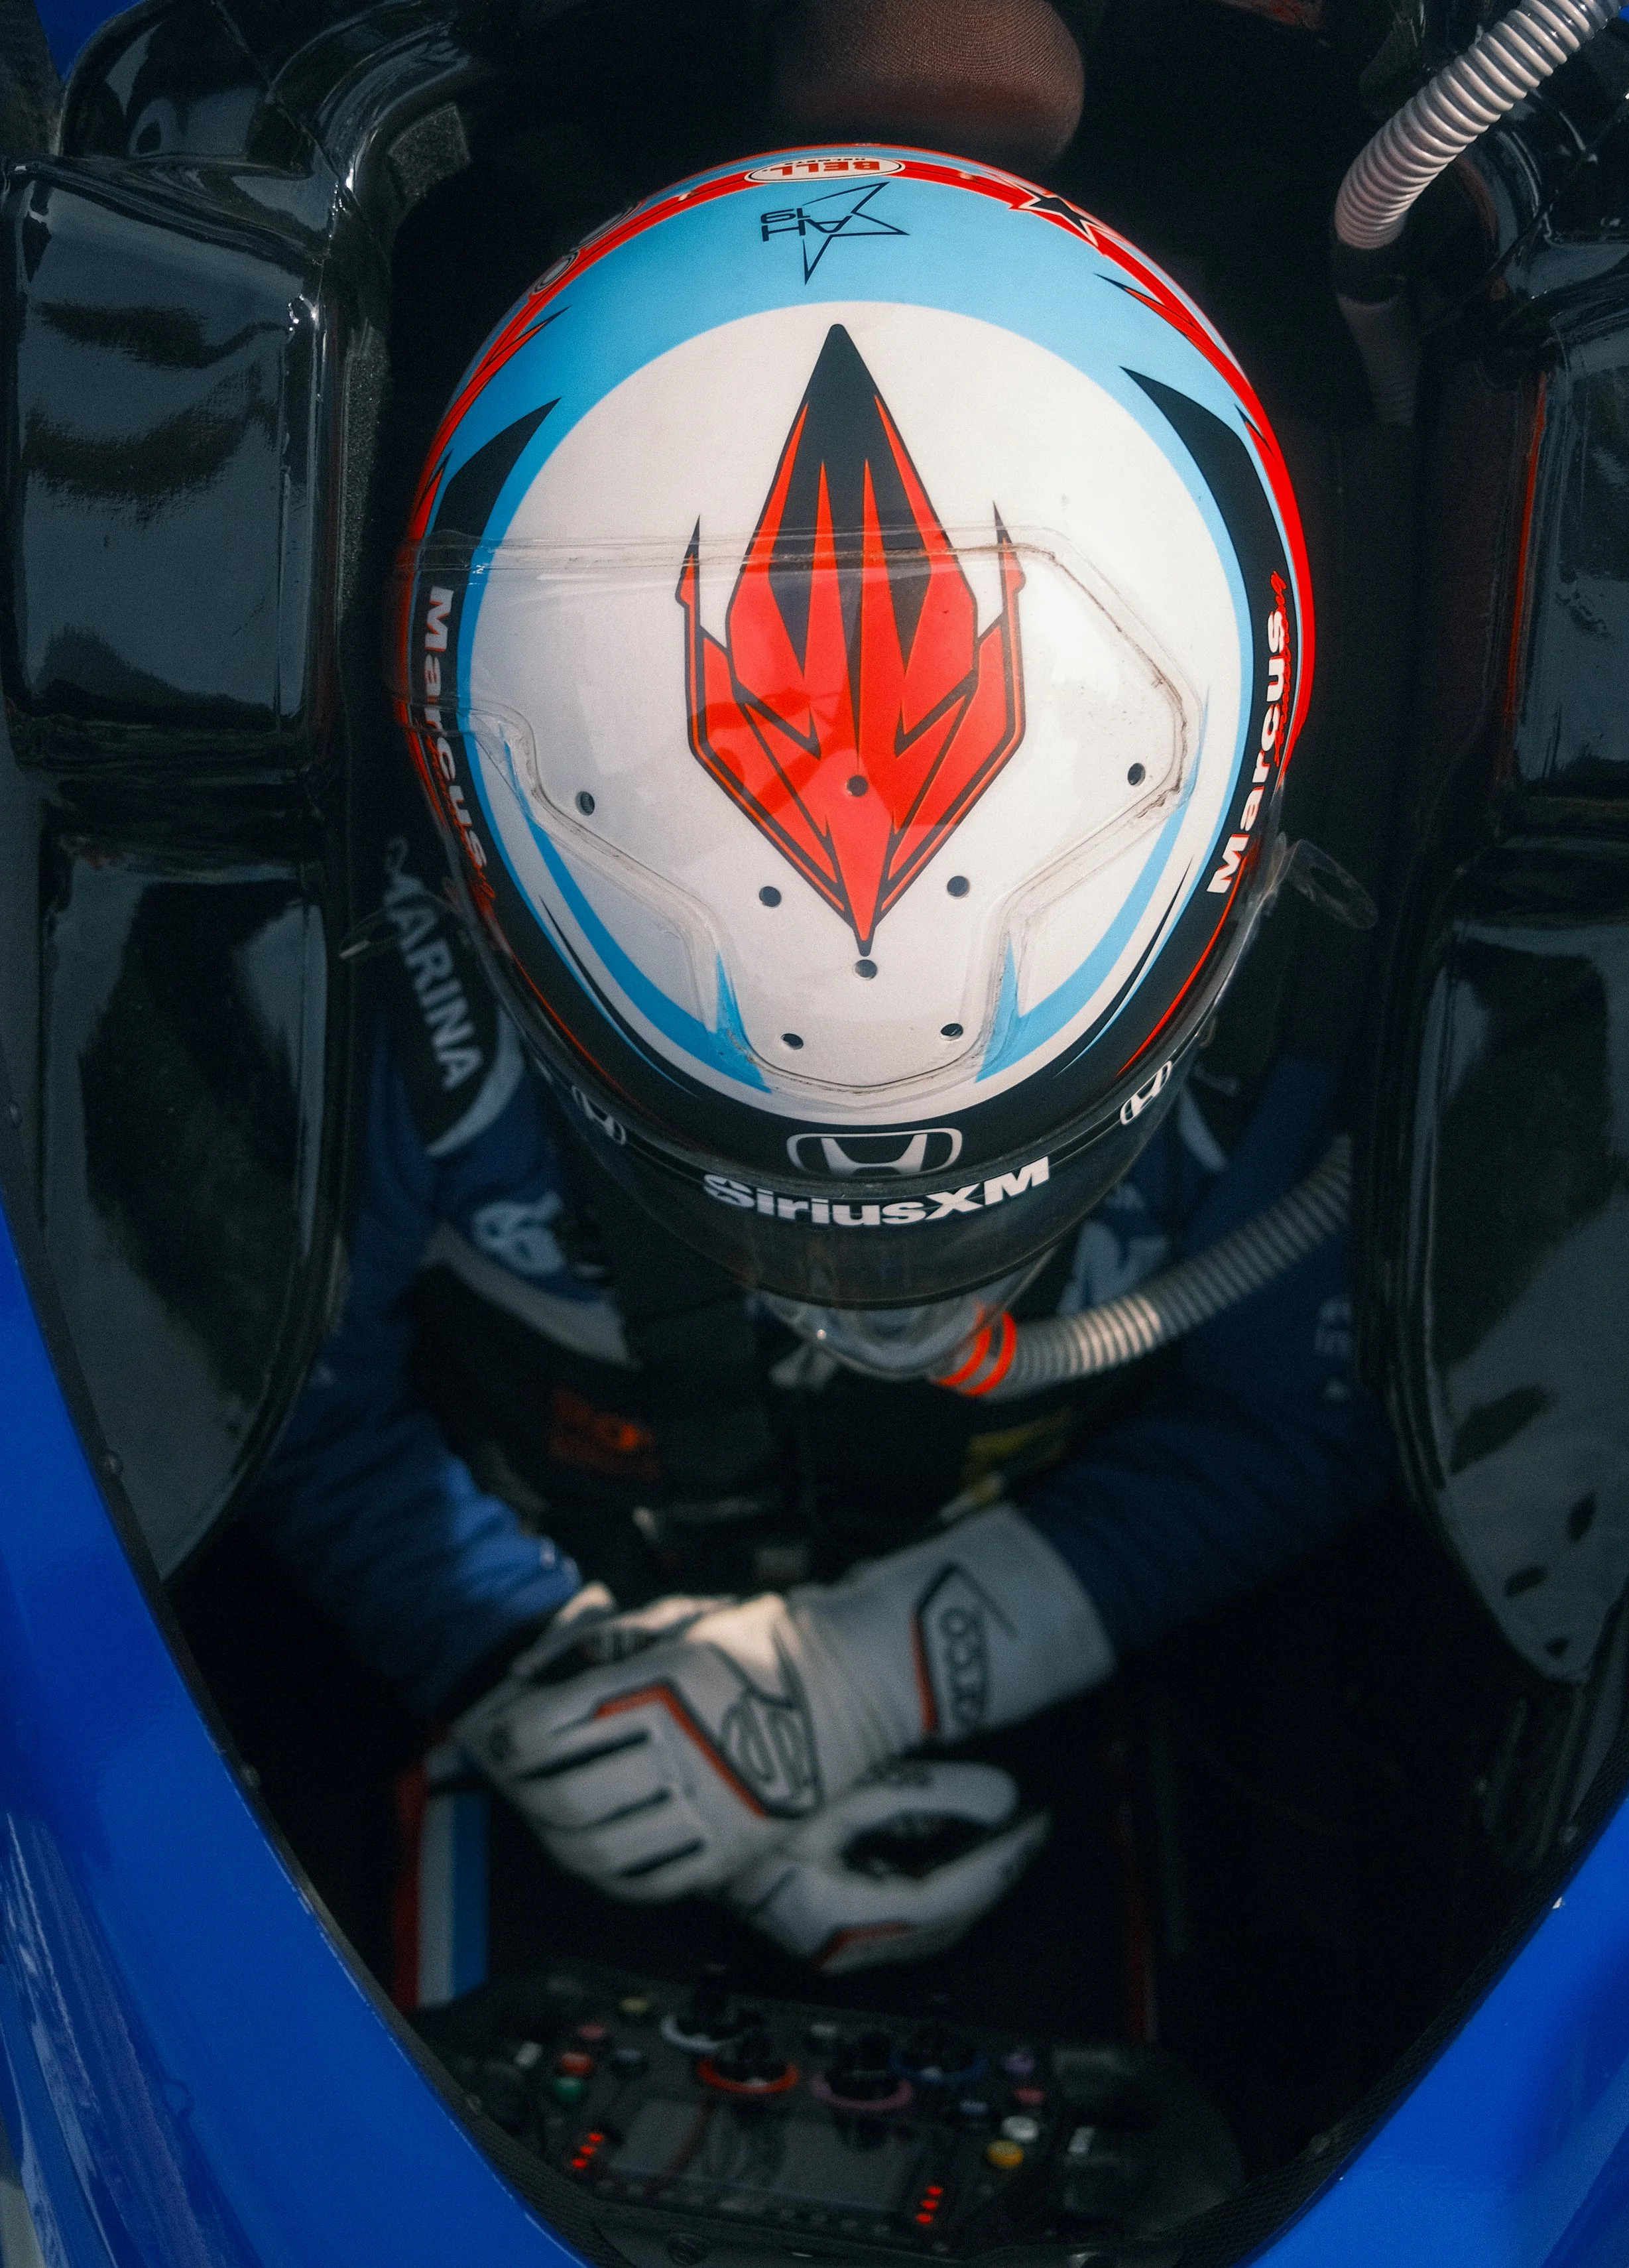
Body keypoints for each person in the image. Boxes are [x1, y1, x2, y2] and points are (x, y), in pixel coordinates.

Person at [248, 130, 1395, 1972]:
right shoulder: (386, 1003)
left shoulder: (1286, 1012)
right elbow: (263, 1400)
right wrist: (533, 1656)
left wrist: (880, 1667)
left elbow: (1341, 1410)